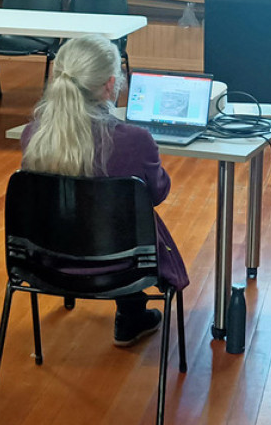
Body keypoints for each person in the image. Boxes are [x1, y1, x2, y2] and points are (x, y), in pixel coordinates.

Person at [21, 34, 190, 347]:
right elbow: (157, 194)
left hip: (48, 261)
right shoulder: (135, 139)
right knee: (130, 224)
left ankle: (129, 311)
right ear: (112, 84)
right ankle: (130, 312)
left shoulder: (35, 134)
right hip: (125, 266)